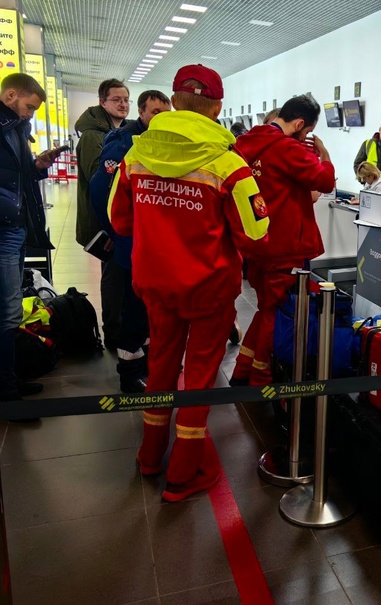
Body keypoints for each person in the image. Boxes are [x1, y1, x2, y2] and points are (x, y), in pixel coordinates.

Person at [109, 64, 269, 502]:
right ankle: (183, 473)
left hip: (156, 284)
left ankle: (149, 458)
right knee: (198, 376)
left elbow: (119, 220)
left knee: (160, 367)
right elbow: (256, 234)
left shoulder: (134, 157)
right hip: (209, 290)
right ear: (217, 107)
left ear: (175, 102)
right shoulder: (227, 163)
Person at [230, 95, 336, 387]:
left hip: (256, 244)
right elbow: (325, 182)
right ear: (300, 124)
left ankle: (242, 369)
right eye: (308, 132)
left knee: (266, 309)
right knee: (276, 313)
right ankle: (261, 378)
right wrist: (324, 155)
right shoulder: (287, 149)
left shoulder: (245, 144)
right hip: (286, 246)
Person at [89, 90, 171, 393]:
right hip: (131, 239)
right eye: (155, 112)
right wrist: (116, 231)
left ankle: (147, 360)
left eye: (166, 112)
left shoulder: (161, 143)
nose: (160, 118)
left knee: (150, 307)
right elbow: (101, 193)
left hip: (153, 242)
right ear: (142, 112)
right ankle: (129, 371)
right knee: (134, 307)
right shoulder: (124, 143)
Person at [0, 73, 61, 403]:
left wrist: (38, 165)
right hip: (5, 229)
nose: (31, 114)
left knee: (9, 310)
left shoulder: (15, 131)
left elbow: (19, 177)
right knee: (8, 311)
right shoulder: (5, 129)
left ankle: (10, 379)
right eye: (29, 107)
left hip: (17, 226)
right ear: (11, 96)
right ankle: (7, 389)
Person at [76, 78, 130, 350]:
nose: (123, 104)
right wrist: (109, 227)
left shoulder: (116, 132)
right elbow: (102, 181)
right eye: (116, 99)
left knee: (119, 276)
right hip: (105, 222)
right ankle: (113, 333)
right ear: (102, 102)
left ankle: (117, 327)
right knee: (114, 276)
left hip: (115, 219)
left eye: (126, 100)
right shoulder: (93, 136)